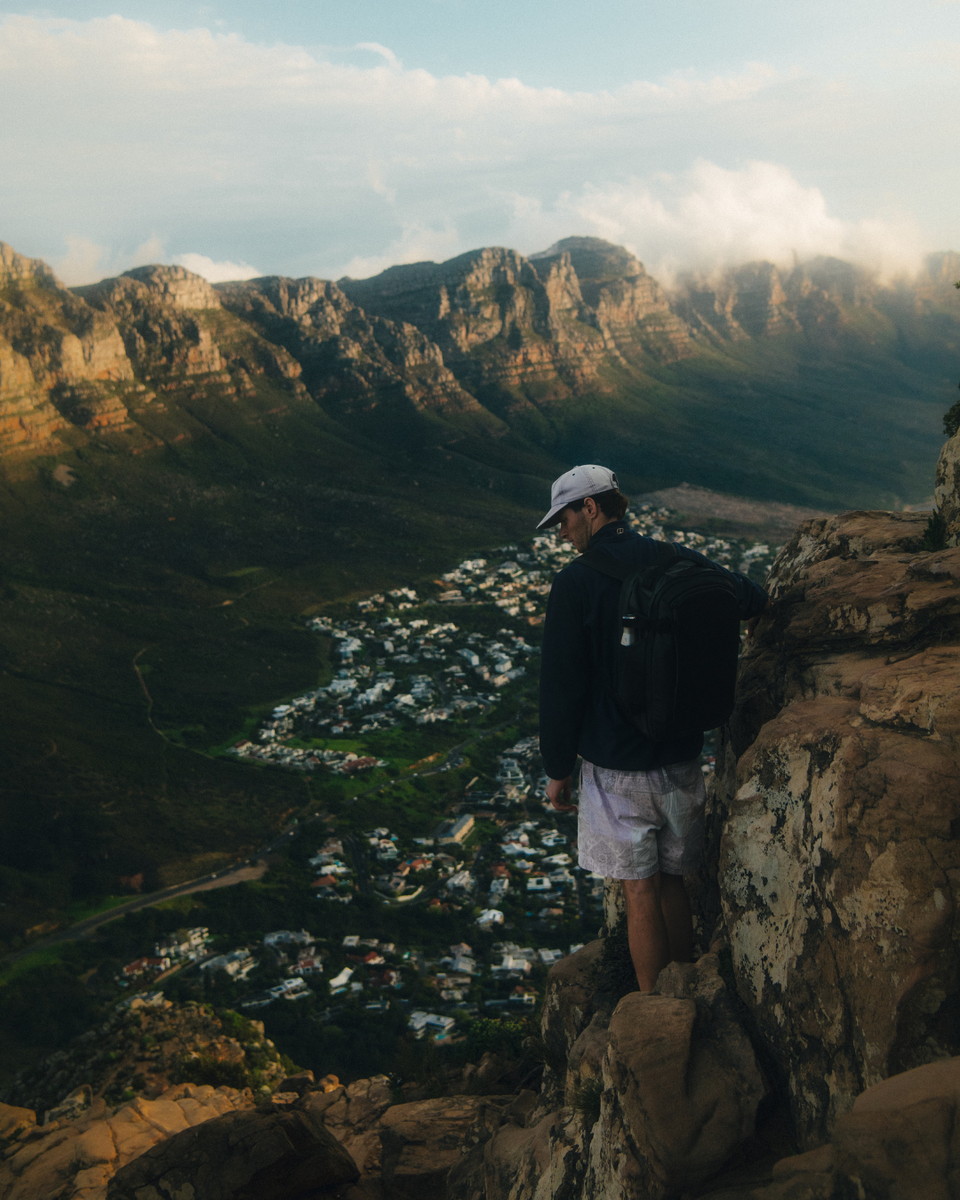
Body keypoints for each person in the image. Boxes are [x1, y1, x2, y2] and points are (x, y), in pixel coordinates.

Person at [537, 464, 768, 992]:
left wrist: (557, 769)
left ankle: (654, 1011)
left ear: (591, 507)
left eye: (565, 519)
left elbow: (561, 687)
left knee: (637, 891)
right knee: (671, 883)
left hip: (617, 767)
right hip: (682, 757)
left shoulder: (575, 583)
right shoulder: (674, 557)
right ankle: (686, 989)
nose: (562, 531)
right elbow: (748, 596)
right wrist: (758, 614)